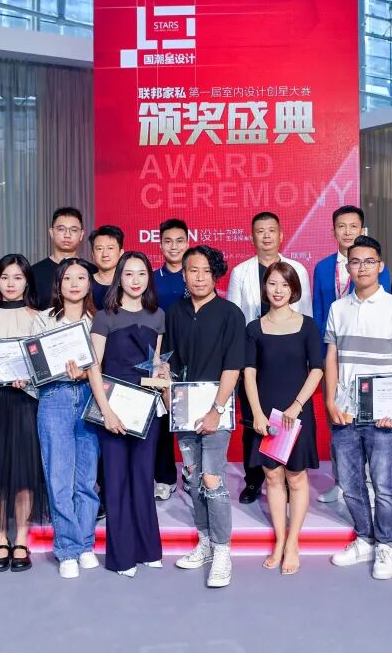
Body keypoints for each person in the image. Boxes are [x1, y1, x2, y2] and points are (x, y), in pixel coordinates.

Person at [325, 235, 392, 580]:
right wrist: (329, 401)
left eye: (369, 261)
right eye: (355, 261)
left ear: (380, 265)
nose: (362, 267)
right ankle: (364, 537)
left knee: (385, 485)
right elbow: (331, 357)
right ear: (347, 266)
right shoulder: (338, 308)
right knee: (350, 483)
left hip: (382, 412)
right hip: (344, 410)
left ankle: (385, 544)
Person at [164, 245, 246, 588]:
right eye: (192, 270)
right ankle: (205, 542)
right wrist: (168, 392)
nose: (199, 277)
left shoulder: (230, 313)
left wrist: (216, 409)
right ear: (183, 274)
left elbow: (233, 366)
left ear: (216, 275)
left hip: (217, 408)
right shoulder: (175, 312)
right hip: (184, 409)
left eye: (206, 271)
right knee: (193, 477)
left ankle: (223, 551)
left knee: (213, 479)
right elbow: (169, 360)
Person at [87, 252, 167, 577]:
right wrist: (106, 411)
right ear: (119, 277)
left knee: (143, 478)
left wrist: (164, 376)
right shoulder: (105, 317)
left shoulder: (157, 315)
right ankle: (121, 557)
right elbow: (94, 367)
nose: (136, 280)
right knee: (116, 481)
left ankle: (148, 549)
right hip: (114, 408)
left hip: (146, 409)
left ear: (149, 278)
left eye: (142, 274)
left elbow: (155, 363)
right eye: (129, 273)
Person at [242, 262, 324, 575]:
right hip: (266, 414)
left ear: (294, 290)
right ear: (265, 287)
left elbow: (317, 369)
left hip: (295, 414)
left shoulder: (307, 326)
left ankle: (292, 542)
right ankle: (279, 540)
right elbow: (249, 374)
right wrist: (257, 414)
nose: (278, 290)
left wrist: (296, 406)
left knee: (296, 477)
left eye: (285, 285)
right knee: (273, 477)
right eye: (273, 283)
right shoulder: (254, 328)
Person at [0, 254, 48, 573]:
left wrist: (28, 378)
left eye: (17, 277)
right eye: (5, 277)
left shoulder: (39, 317)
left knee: (25, 475)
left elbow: (44, 366)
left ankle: (22, 539)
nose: (11, 284)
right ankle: (1, 539)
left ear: (27, 281)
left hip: (25, 402)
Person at [228, 211, 312, 505]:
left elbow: (306, 313)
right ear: (252, 236)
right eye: (260, 231)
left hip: (287, 357)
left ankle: (287, 479)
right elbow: (235, 319)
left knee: (288, 422)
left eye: (271, 230)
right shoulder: (241, 272)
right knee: (253, 421)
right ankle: (253, 480)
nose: (266, 236)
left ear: (281, 235)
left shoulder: (297, 269)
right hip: (254, 355)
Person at [312, 205, 391, 504]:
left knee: (371, 421)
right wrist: (322, 357)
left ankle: (370, 481)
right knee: (337, 419)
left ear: (362, 229)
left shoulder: (376, 267)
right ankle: (341, 480)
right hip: (334, 357)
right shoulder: (322, 268)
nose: (347, 232)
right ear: (333, 231)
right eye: (341, 226)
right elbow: (319, 313)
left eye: (353, 226)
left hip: (370, 358)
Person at [33, 258, 100, 579]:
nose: (74, 283)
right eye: (67, 278)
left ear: (89, 284)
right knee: (59, 478)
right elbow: (34, 367)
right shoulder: (42, 320)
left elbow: (105, 366)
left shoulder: (98, 321)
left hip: (89, 397)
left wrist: (86, 374)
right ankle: (67, 548)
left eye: (81, 278)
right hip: (55, 398)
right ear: (58, 284)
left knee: (86, 479)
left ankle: (86, 544)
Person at [152, 218, 190, 500]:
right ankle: (165, 478)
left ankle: (191, 472)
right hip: (161, 358)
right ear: (160, 245)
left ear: (187, 243)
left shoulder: (196, 274)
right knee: (163, 420)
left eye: (179, 241)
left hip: (192, 356)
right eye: (168, 241)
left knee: (190, 416)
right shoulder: (152, 279)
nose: (174, 246)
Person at [31, 207, 97, 309]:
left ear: (81, 235)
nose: (67, 235)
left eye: (74, 230)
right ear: (51, 232)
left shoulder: (93, 272)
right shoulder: (34, 272)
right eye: (61, 229)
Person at [89, 225, 124, 311]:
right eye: (99, 249)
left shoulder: (128, 283)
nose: (105, 254)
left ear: (121, 252)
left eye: (110, 248)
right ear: (93, 254)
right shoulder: (85, 283)